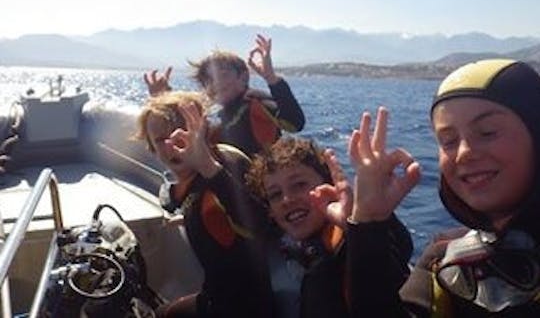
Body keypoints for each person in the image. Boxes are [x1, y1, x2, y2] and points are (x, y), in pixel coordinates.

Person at [346, 59, 540, 317]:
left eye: (487, 132)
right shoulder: (443, 259)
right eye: (448, 141)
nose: (464, 153)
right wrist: (368, 220)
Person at [134, 91, 273, 318]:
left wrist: (207, 166)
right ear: (151, 147)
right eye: (160, 140)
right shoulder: (193, 181)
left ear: (202, 131)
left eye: (181, 133)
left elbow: (262, 225)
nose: (172, 145)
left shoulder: (225, 166)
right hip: (214, 299)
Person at [246, 137, 412, 318]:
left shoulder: (349, 243)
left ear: (329, 185)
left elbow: (394, 255)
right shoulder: (268, 247)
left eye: (299, 185)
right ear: (269, 210)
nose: (287, 199)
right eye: (275, 194)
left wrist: (362, 223)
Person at [144, 34, 305, 156]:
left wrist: (271, 78)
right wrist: (163, 98)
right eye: (208, 80)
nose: (216, 84)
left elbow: (294, 123)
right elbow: (184, 131)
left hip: (258, 190)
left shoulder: (254, 102)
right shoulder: (216, 115)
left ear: (243, 77)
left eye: (223, 75)